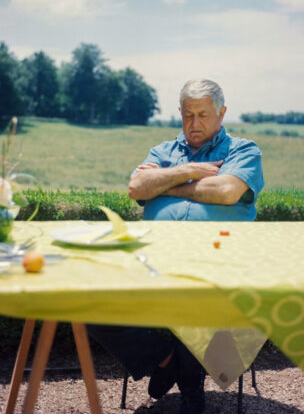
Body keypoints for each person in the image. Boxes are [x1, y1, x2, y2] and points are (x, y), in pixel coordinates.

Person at [87, 79, 264, 414]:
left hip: (217, 262)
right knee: (85, 295)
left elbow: (225, 191)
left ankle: (189, 382)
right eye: (187, 115)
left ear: (221, 113)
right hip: (151, 261)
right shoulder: (162, 151)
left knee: (193, 289)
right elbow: (138, 187)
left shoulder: (243, 151)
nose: (194, 123)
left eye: (203, 115)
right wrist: (191, 171)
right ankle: (168, 361)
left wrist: (166, 184)